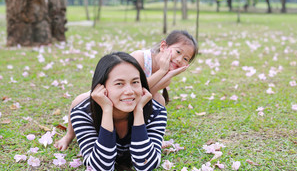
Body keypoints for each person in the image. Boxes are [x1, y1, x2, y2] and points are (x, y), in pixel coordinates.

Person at [55, 30, 198, 151]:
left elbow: (145, 94)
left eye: (186, 58)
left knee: (159, 100)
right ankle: (69, 135)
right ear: (163, 46)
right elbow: (140, 87)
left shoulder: (168, 76)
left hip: (132, 103)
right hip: (112, 93)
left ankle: (150, 136)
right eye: (178, 52)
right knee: (79, 100)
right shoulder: (140, 57)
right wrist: (162, 71)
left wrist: (167, 74)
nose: (179, 59)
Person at [70, 52, 167, 171]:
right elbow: (101, 169)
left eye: (135, 82)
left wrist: (138, 112)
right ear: (101, 87)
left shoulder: (156, 112)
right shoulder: (83, 113)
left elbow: (146, 166)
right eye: (119, 84)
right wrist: (106, 110)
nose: (129, 91)